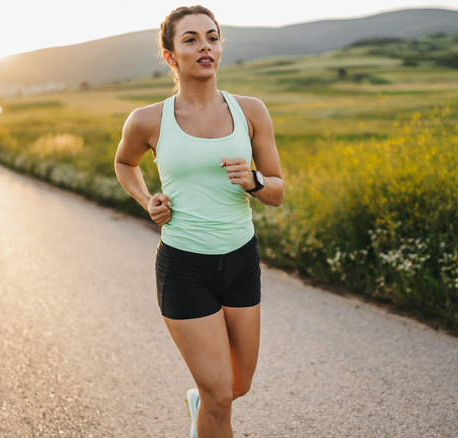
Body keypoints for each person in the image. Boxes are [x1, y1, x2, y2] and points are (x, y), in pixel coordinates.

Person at [113, 5, 284, 438]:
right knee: (221, 396)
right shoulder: (149, 119)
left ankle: (199, 404)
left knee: (235, 386)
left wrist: (254, 181)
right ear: (170, 56)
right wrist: (145, 198)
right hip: (185, 267)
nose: (205, 46)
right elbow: (124, 162)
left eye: (212, 37)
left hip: (241, 260)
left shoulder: (251, 111)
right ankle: (207, 407)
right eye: (190, 39)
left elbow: (278, 192)